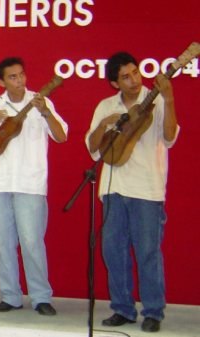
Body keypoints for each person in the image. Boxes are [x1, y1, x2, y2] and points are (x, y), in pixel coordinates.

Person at [85, 52, 179, 333]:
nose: (134, 80)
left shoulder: (157, 99)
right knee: (113, 251)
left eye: (136, 73)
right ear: (115, 83)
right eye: (125, 76)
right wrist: (104, 124)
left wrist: (170, 99)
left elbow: (171, 137)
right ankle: (123, 308)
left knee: (148, 252)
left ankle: (153, 311)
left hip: (147, 189)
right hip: (113, 189)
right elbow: (92, 147)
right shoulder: (105, 105)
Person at [0, 57, 67, 316]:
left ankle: (40, 296)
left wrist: (45, 112)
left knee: (32, 241)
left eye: (21, 75)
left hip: (31, 183)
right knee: (3, 242)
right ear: (1, 81)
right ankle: (10, 296)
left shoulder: (40, 101)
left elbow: (61, 136)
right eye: (12, 77)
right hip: (0, 183)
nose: (19, 81)